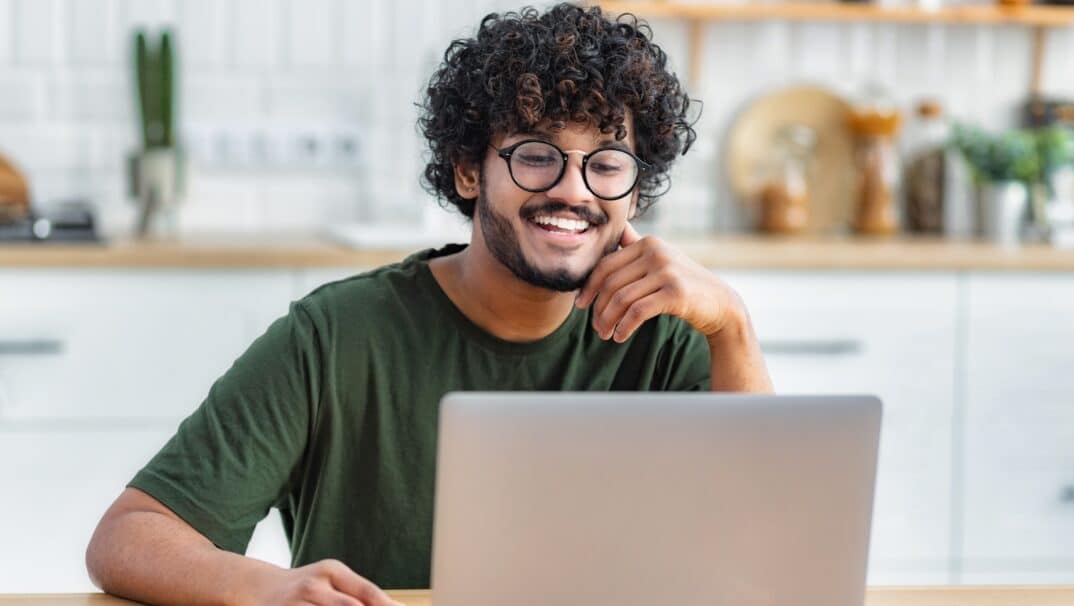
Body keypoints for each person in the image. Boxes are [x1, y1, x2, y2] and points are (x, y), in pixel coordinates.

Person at [85, 4, 772, 605]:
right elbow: (128, 536)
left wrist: (733, 327)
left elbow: (764, 555)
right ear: (470, 169)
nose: (574, 190)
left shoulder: (666, 336)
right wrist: (261, 586)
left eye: (607, 163)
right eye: (537, 155)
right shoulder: (336, 337)